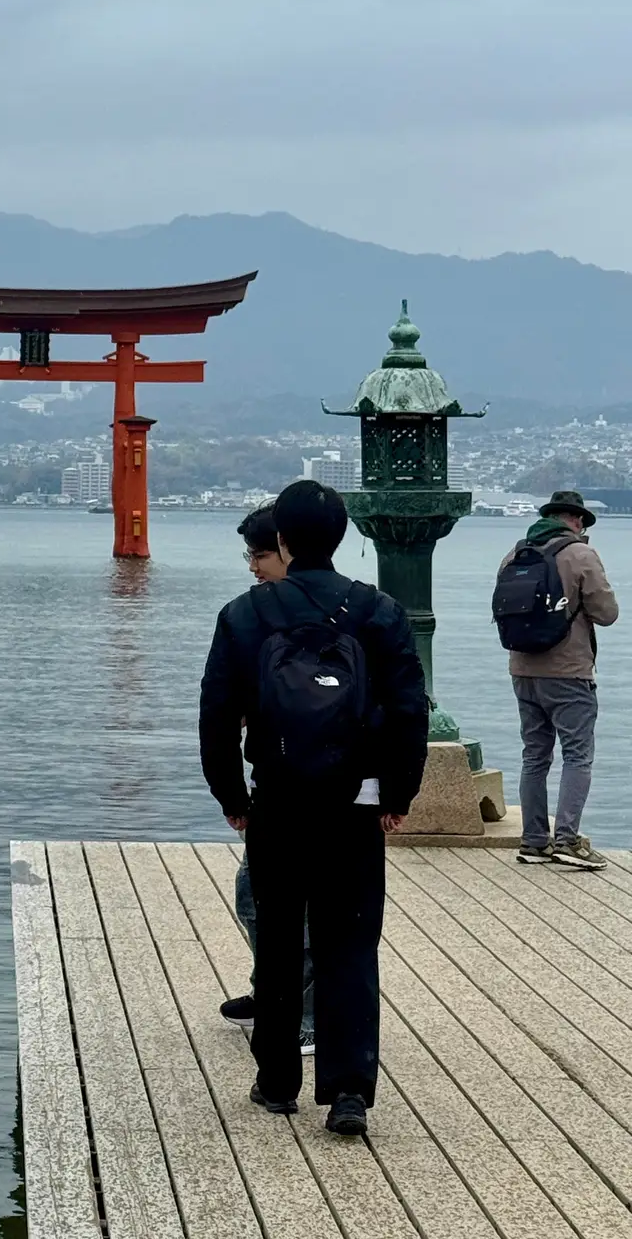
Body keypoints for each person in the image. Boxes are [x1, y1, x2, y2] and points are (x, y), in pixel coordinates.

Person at [200, 480, 427, 1135]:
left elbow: (216, 715)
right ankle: (350, 1089)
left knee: (276, 938)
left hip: (278, 798)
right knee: (350, 942)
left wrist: (232, 795)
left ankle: (276, 1080)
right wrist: (399, 792)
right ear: (343, 537)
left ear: (282, 541)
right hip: (353, 803)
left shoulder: (246, 614)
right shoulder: (378, 611)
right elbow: (408, 710)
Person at [219, 506, 316, 1058]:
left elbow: (222, 712)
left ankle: (298, 1008)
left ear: (287, 547)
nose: (253, 567)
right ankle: (274, 989)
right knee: (264, 895)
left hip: (292, 785)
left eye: (259, 554)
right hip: (313, 782)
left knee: (269, 898)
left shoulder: (259, 617)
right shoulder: (354, 609)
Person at [497, 490, 618, 870]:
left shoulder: (514, 555)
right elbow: (607, 613)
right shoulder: (580, 554)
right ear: (578, 520)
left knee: (534, 755)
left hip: (522, 670)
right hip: (568, 673)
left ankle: (534, 841)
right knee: (578, 756)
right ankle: (567, 839)